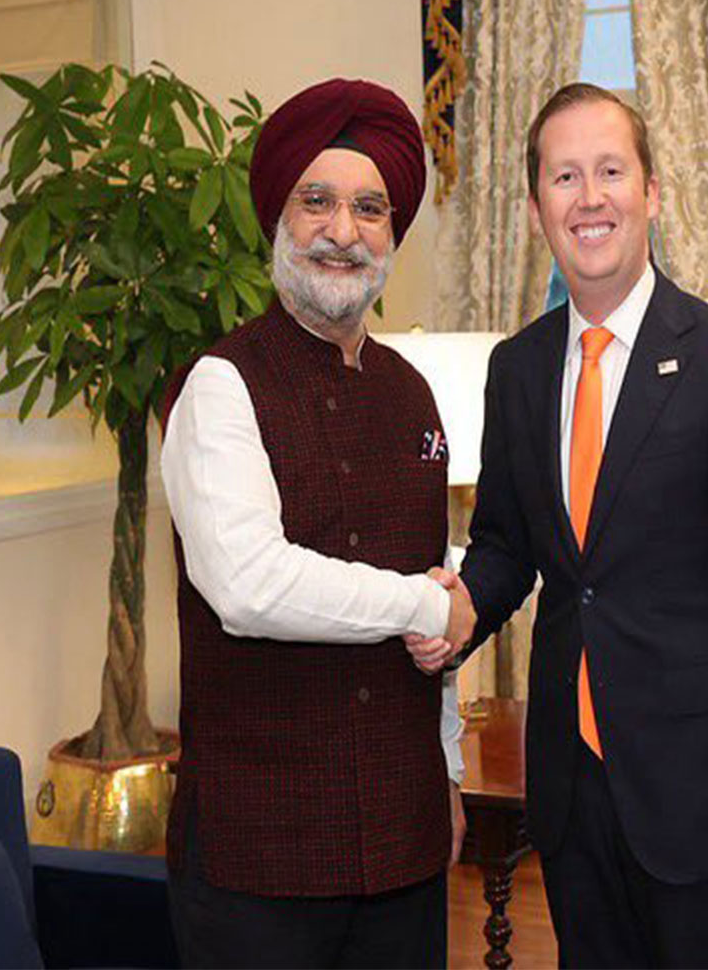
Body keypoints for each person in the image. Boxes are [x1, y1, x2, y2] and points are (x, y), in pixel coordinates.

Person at [409, 82, 708, 968]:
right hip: (572, 793)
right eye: (564, 177)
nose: (589, 198)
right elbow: (510, 543)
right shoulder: (517, 369)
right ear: (537, 206)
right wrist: (459, 610)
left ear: (651, 192)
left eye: (611, 172)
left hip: (699, 802)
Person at [159, 78, 476, 969]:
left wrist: (447, 773)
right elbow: (249, 586)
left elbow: (435, 599)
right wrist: (423, 607)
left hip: (404, 845)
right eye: (319, 201)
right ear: (277, 222)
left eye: (371, 208)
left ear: (393, 235)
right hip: (261, 860)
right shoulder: (218, 385)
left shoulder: (413, 392)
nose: (345, 231)